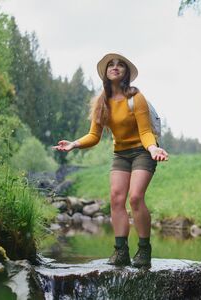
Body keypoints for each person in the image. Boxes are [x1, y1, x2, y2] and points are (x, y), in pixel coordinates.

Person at [53, 53, 169, 268]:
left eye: (120, 65)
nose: (115, 67)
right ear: (105, 73)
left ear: (126, 73)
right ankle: (121, 251)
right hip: (121, 154)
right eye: (111, 65)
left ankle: (144, 250)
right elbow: (94, 136)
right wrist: (74, 144)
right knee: (116, 199)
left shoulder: (136, 97)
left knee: (135, 198)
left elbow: (145, 132)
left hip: (143, 152)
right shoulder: (101, 101)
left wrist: (153, 149)